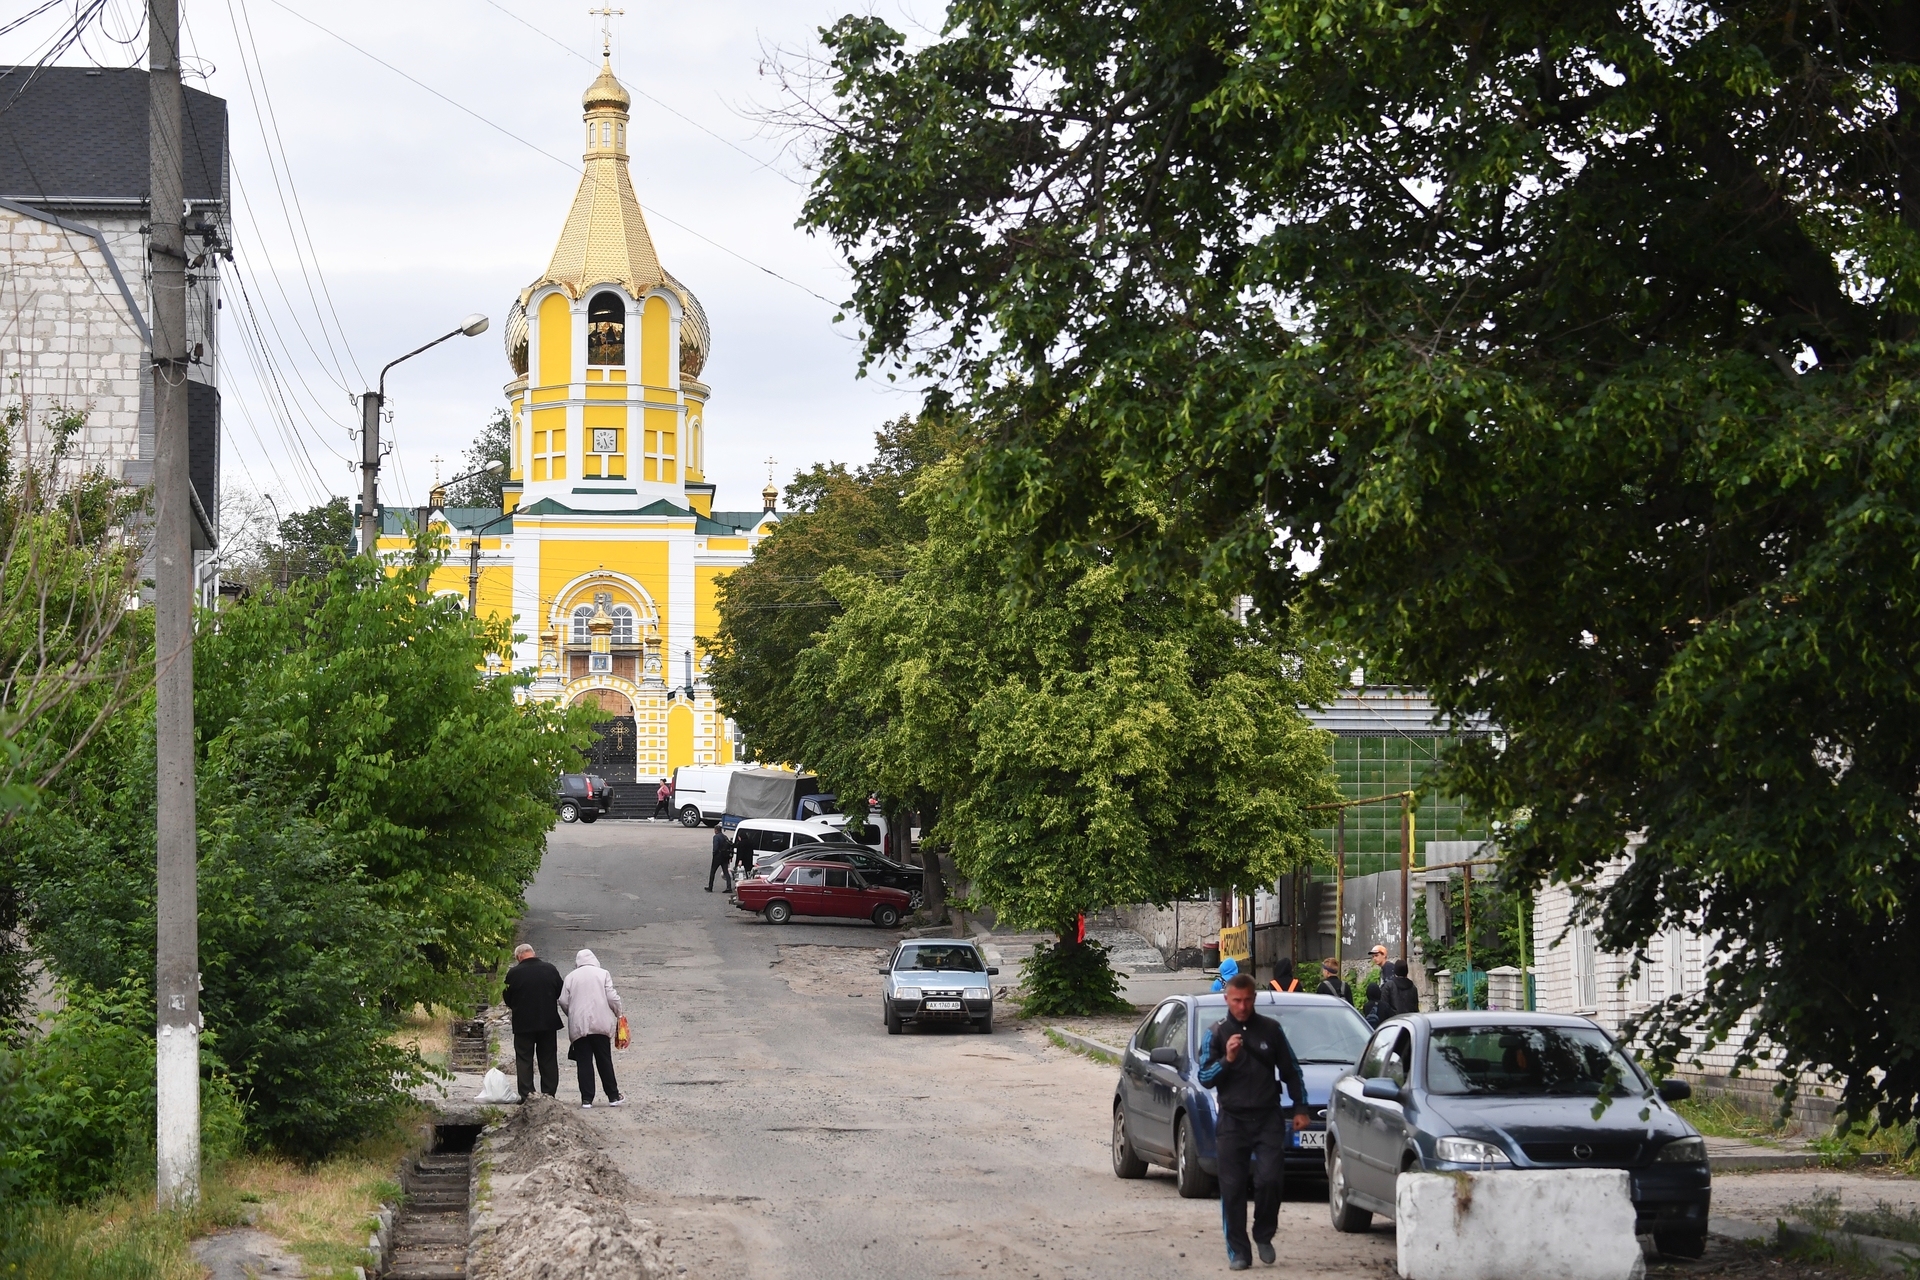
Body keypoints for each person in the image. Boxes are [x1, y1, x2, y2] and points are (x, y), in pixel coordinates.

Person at [1198, 973, 1311, 1270]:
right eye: (1236, 1000)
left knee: (1270, 1179)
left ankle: (1263, 1234)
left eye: (1248, 1000)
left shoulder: (1271, 1030)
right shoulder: (1216, 1033)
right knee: (1232, 1188)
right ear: (1227, 999)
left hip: (1267, 1117)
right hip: (1232, 1121)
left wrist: (1300, 1107)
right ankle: (1238, 1251)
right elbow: (1204, 1077)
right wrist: (1228, 1060)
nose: (1242, 1006)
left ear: (1254, 998)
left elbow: (1291, 1070)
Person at [559, 948, 624, 1108]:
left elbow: (562, 1000)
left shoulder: (570, 977)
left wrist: (572, 1014)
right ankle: (613, 1096)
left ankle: (587, 1099)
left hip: (579, 1026)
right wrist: (619, 1013)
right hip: (600, 1024)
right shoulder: (603, 974)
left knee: (584, 1062)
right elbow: (611, 996)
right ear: (594, 960)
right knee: (604, 1060)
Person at [500, 942, 564, 1102]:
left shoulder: (514, 973)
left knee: (524, 1058)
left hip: (523, 1024)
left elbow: (507, 998)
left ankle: (527, 1094)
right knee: (548, 1058)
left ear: (518, 957)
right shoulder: (550, 969)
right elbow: (560, 991)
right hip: (548, 1022)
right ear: (532, 953)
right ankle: (549, 1094)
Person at [1361, 944, 1390, 1024]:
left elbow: (1389, 988)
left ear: (1384, 955)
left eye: (1376, 955)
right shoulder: (1384, 969)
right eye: (1373, 956)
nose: (1374, 958)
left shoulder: (1388, 967)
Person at [706, 825, 735, 893]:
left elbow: (715, 847)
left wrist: (714, 854)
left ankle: (710, 887)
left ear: (716, 830)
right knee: (726, 872)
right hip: (725, 857)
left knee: (713, 871)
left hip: (718, 857)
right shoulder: (725, 837)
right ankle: (729, 887)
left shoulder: (716, 837)